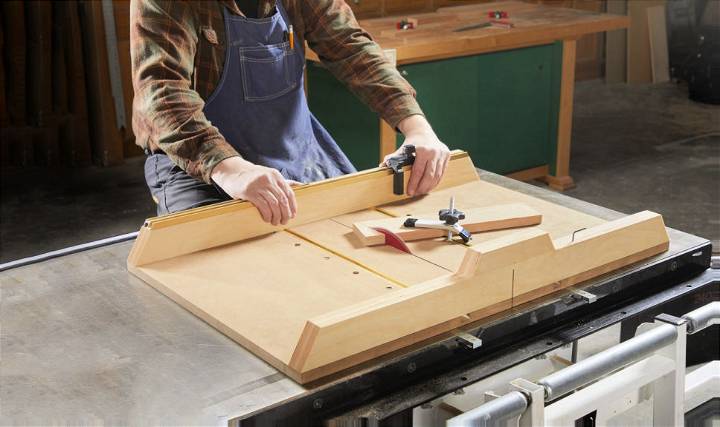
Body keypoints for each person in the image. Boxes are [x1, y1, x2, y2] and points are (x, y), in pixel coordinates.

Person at [130, 0, 450, 225]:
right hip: (197, 162)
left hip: (293, 149)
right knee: (212, 270)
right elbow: (162, 90)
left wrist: (417, 128)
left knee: (353, 235)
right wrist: (233, 170)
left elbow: (350, 46)